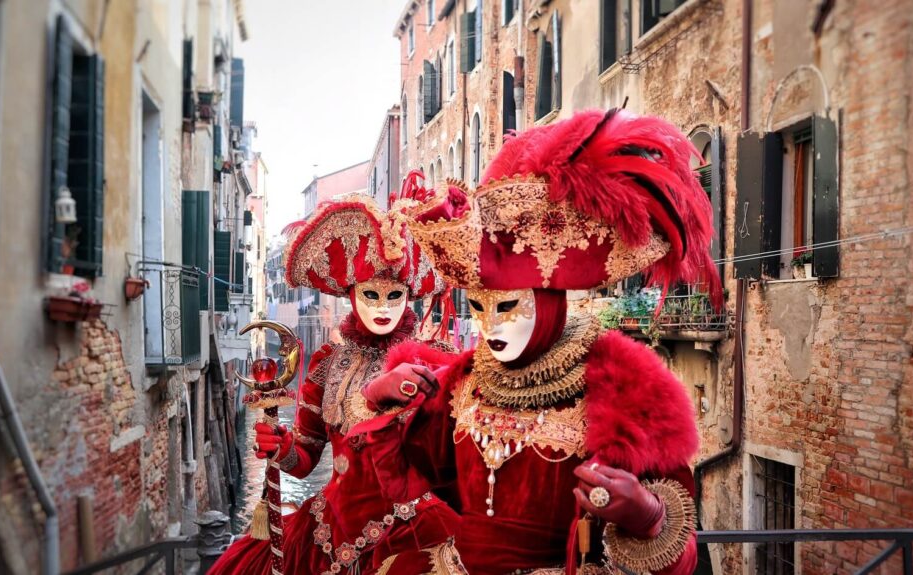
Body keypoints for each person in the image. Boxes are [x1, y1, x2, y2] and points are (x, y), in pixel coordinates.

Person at [351, 109, 721, 574]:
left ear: (548, 302)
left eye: (507, 308)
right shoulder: (464, 381)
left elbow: (680, 556)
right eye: (479, 309)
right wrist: (380, 401)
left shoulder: (624, 389)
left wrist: (648, 515)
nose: (491, 328)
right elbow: (403, 482)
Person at [208, 195, 467, 575]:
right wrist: (282, 448)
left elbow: (456, 459)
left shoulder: (436, 357)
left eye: (394, 296)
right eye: (371, 295)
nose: (382, 307)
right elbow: (307, 456)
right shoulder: (327, 361)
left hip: (418, 531)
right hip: (333, 532)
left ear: (409, 295)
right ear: (351, 294)